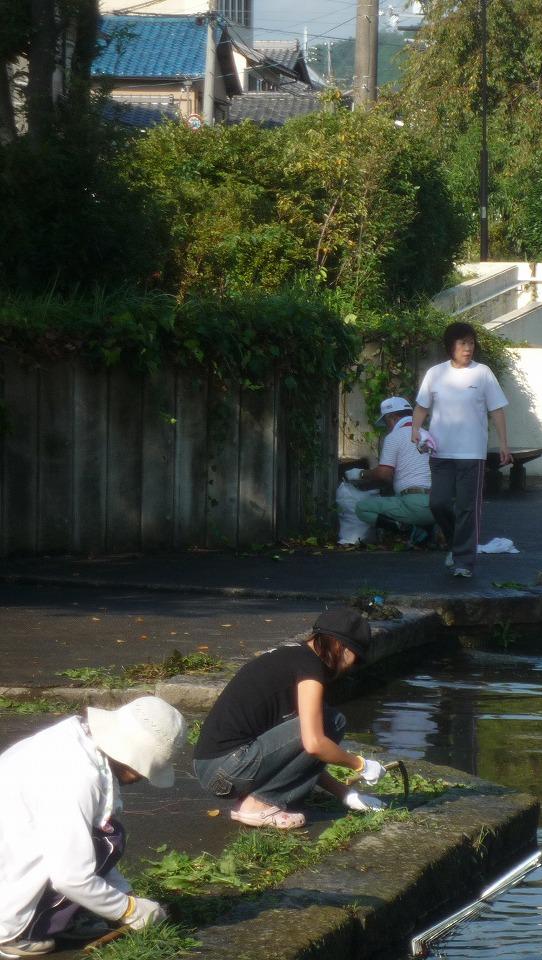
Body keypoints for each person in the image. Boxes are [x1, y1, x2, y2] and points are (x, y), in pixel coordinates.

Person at [1, 696, 185, 957]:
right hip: (7, 891)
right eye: (146, 769)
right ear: (132, 758)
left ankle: (63, 916)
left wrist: (125, 895)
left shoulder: (76, 739)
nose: (144, 777)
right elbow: (71, 876)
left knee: (104, 834)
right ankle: (19, 931)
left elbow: (84, 838)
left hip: (13, 850)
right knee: (109, 839)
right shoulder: (77, 778)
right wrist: (128, 910)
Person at [194, 608, 387, 830]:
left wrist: (346, 795)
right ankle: (258, 805)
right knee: (332, 721)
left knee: (320, 724)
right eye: (356, 658)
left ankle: (261, 799)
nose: (352, 666)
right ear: (340, 646)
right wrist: (361, 765)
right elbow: (314, 744)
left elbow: (297, 757)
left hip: (211, 769)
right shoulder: (311, 669)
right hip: (229, 768)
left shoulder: (291, 657)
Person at [411, 322, 511, 580]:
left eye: (471, 343)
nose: (468, 349)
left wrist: (503, 444)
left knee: (468, 508)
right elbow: (422, 406)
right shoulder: (435, 373)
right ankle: (458, 545)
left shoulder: (483, 373)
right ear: (450, 347)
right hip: (441, 452)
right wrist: (415, 429)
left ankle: (463, 561)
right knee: (438, 502)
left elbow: (497, 410)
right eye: (462, 343)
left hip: (472, 454)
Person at [346, 397, 435, 545]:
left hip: (413, 505)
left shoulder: (394, 437)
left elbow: (384, 475)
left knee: (362, 509)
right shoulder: (426, 434)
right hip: (437, 505)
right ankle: (426, 531)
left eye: (387, 422)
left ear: (393, 418)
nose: (388, 427)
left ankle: (406, 528)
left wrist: (360, 474)